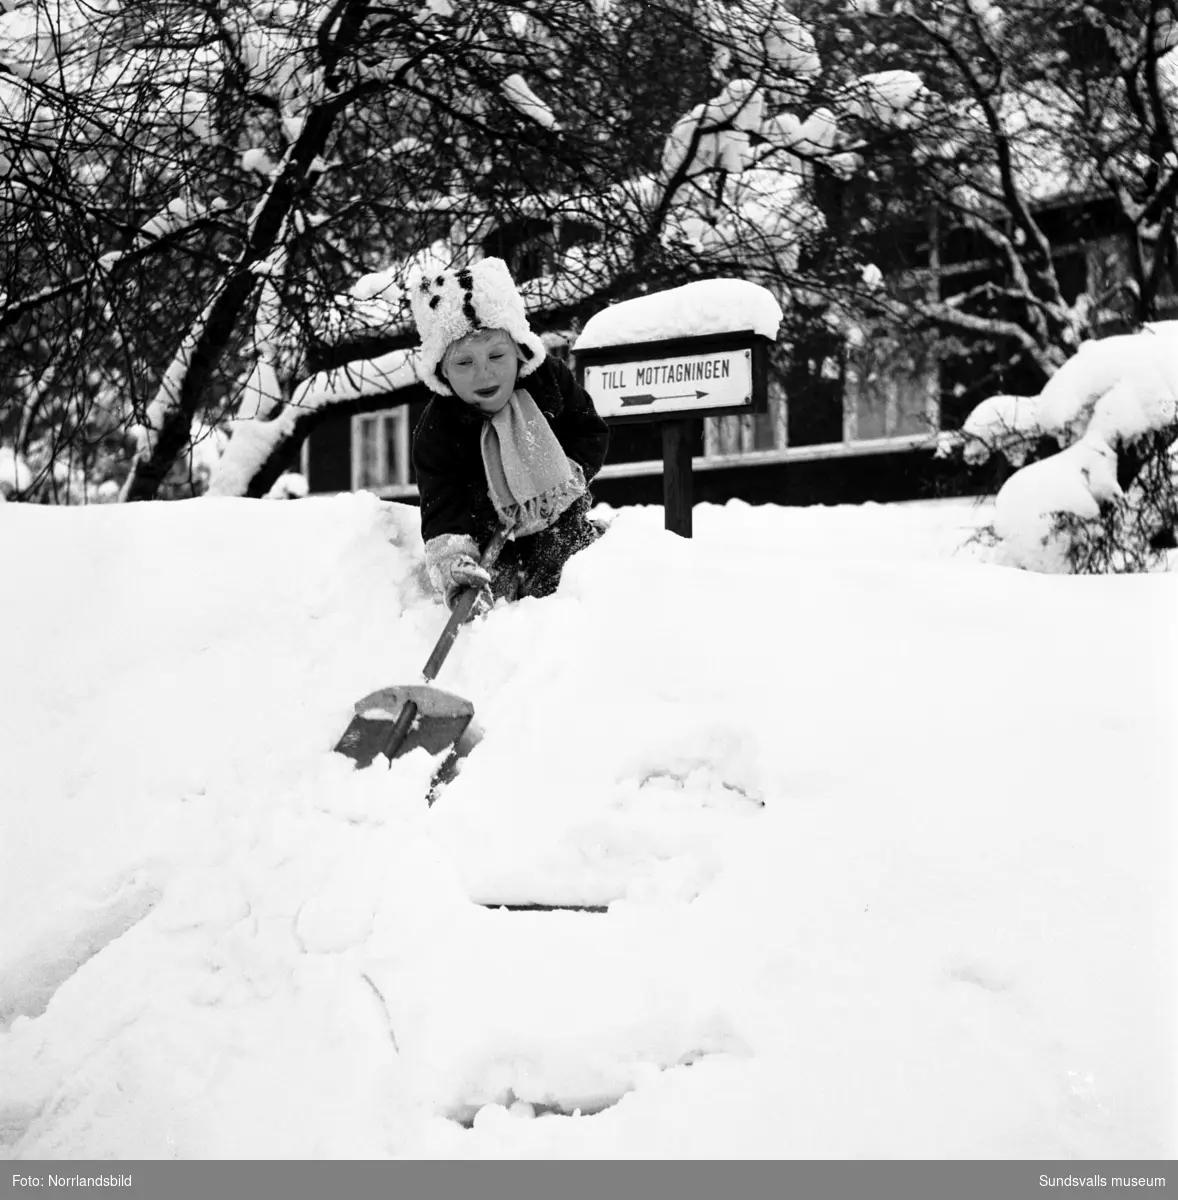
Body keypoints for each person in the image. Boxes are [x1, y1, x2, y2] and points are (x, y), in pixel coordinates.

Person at [409, 257, 610, 612]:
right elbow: (443, 502)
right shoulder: (439, 429)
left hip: (558, 517)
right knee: (497, 601)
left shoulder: (549, 383)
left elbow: (588, 429)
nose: (484, 374)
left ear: (519, 350)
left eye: (497, 355)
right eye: (464, 363)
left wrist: (560, 477)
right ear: (441, 372)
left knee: (568, 582)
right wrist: (457, 562)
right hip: (490, 539)